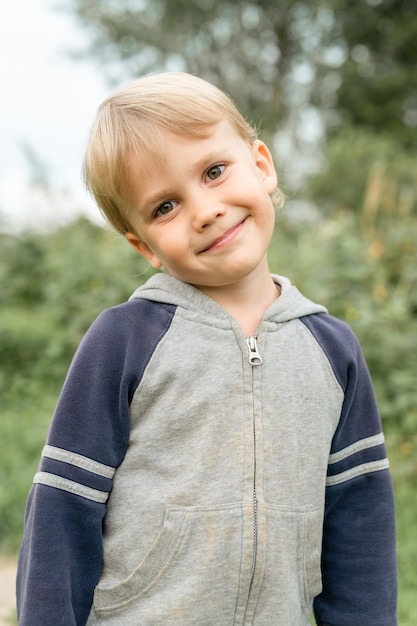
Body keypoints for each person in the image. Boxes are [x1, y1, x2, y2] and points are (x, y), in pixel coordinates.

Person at [16, 72, 397, 625]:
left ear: (261, 164)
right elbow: (61, 513)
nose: (205, 210)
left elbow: (360, 525)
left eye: (214, 172)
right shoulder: (124, 342)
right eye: (165, 206)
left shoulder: (331, 349)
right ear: (143, 245)